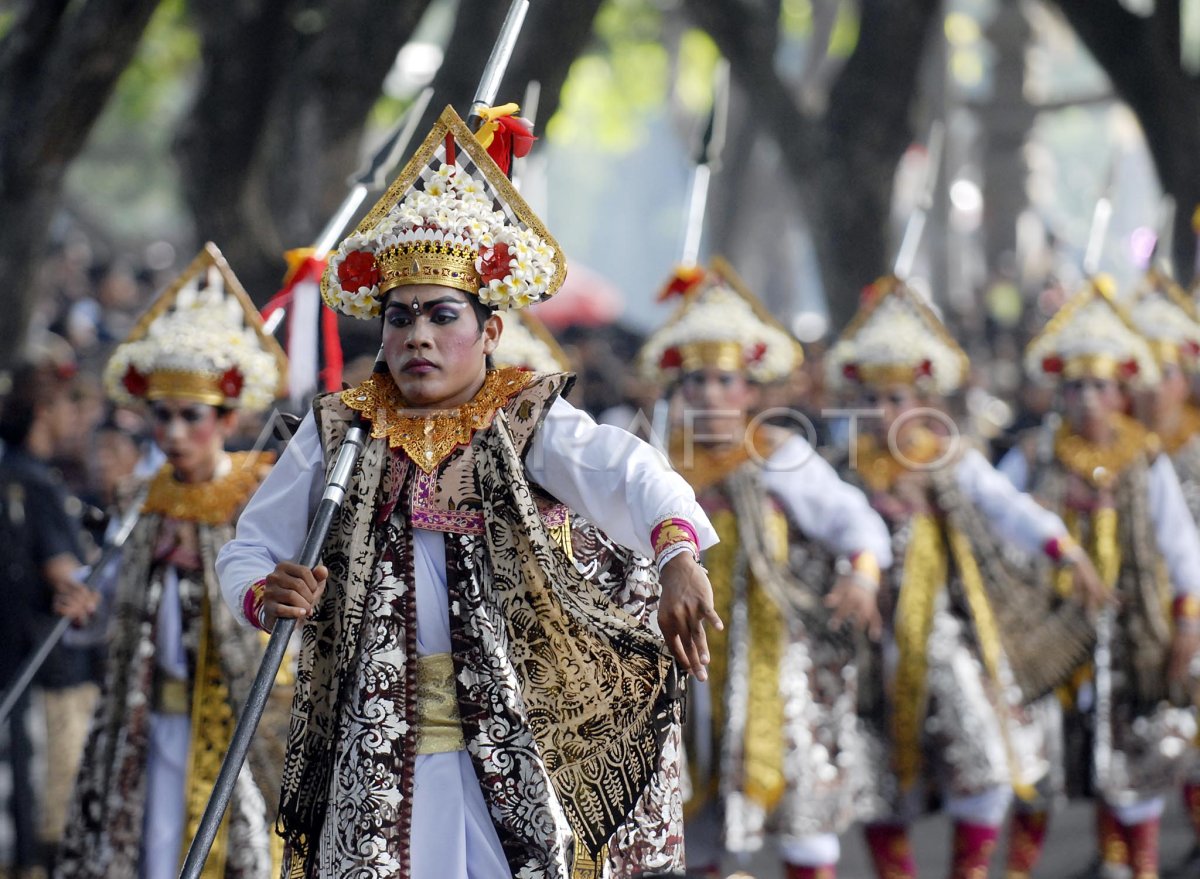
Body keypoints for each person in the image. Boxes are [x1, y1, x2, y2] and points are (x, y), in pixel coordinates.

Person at [216, 104, 721, 879]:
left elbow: (634, 474)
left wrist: (680, 554)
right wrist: (265, 591)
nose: (417, 335)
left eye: (442, 315)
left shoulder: (527, 420)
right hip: (378, 737)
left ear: (489, 330)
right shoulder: (338, 432)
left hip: (515, 733)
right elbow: (249, 547)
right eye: (399, 317)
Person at [825, 275, 1106, 879]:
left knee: (984, 760)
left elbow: (1009, 507)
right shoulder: (841, 469)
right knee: (875, 779)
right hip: (865, 642)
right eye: (873, 399)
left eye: (897, 399)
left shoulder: (951, 458)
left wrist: (1066, 551)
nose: (884, 413)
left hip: (947, 633)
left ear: (924, 399)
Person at [634, 259, 891, 879]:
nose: (710, 394)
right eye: (695, 381)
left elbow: (857, 523)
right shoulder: (650, 462)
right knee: (687, 812)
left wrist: (861, 575)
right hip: (672, 657)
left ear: (750, 389)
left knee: (798, 798)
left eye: (725, 381)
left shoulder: (780, 455)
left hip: (771, 657)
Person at [57, 243, 288, 879]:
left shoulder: (261, 495)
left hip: (238, 720)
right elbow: (108, 597)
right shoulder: (139, 500)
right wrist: (83, 602)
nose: (174, 433)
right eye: (162, 416)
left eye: (192, 416)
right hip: (146, 714)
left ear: (227, 418)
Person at [999, 275, 1200, 879]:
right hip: (1048, 644)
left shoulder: (1146, 460)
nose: (1088, 399)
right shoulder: (1034, 457)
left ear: (1120, 394)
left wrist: (1186, 625)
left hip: (1129, 643)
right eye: (1077, 386)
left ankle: (1134, 866)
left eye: (1101, 387)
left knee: (1132, 775)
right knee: (1037, 774)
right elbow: (1000, 531)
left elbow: (1180, 550)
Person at [0, 361, 98, 879]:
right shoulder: (34, 483)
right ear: (44, 410)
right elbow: (67, 578)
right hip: (43, 666)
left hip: (15, 656)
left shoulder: (13, 470)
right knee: (42, 808)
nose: (75, 418)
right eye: (67, 406)